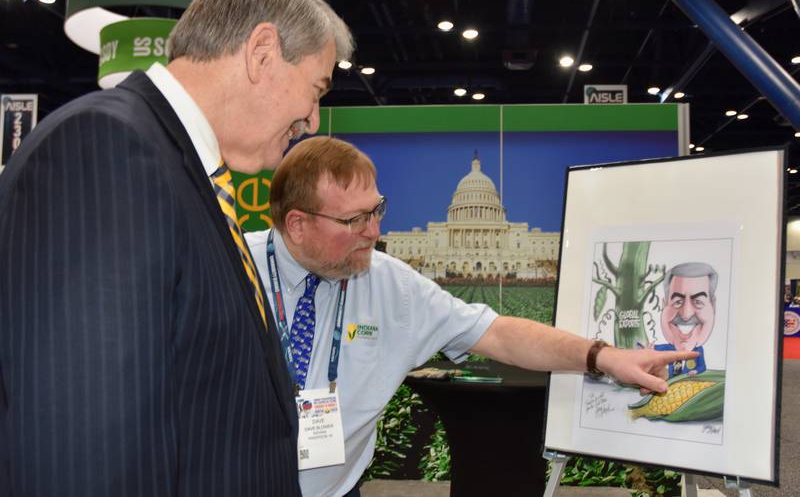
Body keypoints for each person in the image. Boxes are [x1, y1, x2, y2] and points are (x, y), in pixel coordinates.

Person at [0, 0, 353, 496]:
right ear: (262, 52)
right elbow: (88, 455)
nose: (313, 118)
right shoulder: (105, 150)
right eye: (316, 88)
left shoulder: (177, 166)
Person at [245, 136, 698, 497]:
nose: (375, 232)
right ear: (298, 224)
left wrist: (602, 356)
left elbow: (499, 334)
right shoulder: (223, 267)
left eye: (378, 211)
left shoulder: (392, 285)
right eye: (354, 220)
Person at [655, 262, 718, 378]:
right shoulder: (668, 348)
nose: (686, 314)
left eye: (698, 301)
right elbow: (656, 348)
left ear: (713, 307)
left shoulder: (698, 350)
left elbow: (702, 366)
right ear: (664, 306)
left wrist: (696, 371)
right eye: (678, 301)